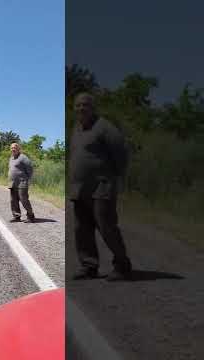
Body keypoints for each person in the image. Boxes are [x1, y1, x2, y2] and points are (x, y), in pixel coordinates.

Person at [69, 92, 132, 281]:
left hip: (102, 186)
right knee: (82, 228)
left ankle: (122, 266)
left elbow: (121, 153)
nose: (81, 108)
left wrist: (116, 178)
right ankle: (89, 266)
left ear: (93, 107)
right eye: (78, 105)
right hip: (80, 188)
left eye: (85, 105)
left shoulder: (105, 128)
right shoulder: (77, 129)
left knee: (107, 227)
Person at [8, 143, 35, 223]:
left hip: (22, 183)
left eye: (15, 147)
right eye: (12, 148)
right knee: (13, 200)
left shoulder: (23, 157)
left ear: (19, 149)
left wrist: (27, 179)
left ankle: (30, 216)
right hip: (12, 183)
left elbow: (30, 169)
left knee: (24, 200)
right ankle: (16, 216)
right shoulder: (11, 158)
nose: (13, 149)